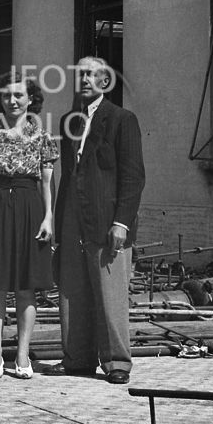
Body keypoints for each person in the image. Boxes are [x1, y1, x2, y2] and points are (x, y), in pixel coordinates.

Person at [50, 57, 145, 385]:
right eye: (80, 76)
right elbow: (67, 176)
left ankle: (117, 361)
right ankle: (76, 358)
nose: (85, 80)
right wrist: (59, 223)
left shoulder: (122, 119)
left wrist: (122, 222)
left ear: (105, 82)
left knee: (109, 293)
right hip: (72, 217)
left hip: (108, 221)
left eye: (92, 75)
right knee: (72, 290)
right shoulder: (70, 122)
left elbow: (133, 177)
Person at [0, 71, 56, 380]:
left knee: (25, 286)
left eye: (18, 94)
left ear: (30, 98)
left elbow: (47, 181)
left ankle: (21, 354)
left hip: (29, 206)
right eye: (7, 95)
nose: (12, 100)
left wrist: (48, 217)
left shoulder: (41, 136)